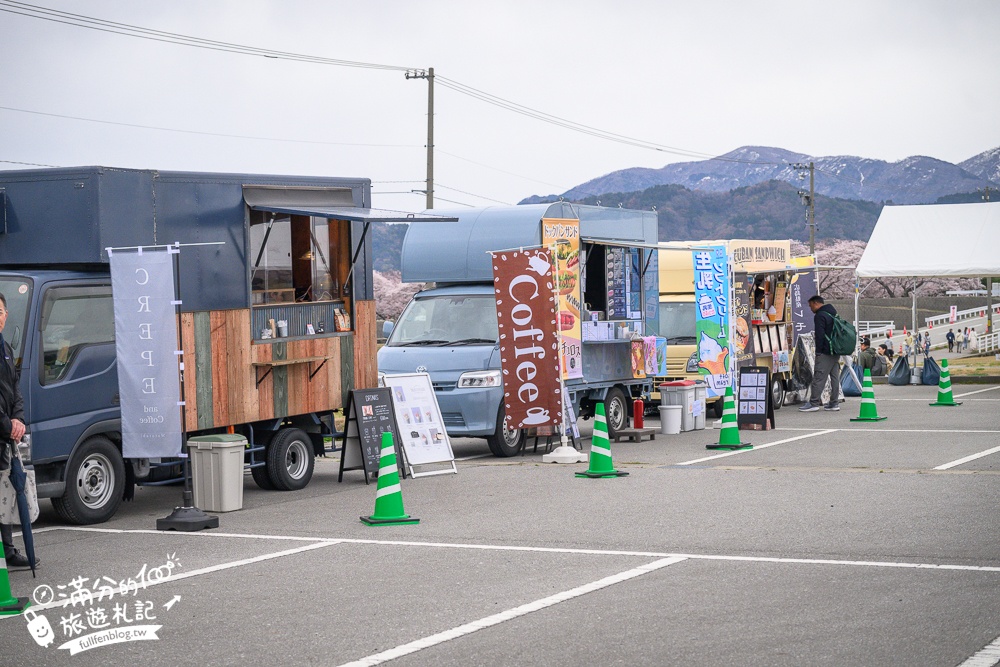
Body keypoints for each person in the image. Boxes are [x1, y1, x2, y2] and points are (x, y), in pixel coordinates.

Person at [0, 293, 38, 568]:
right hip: (2, 429)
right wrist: (7, 425)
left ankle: (9, 551)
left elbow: (15, 390)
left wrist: (19, 420)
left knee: (6, 494)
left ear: (5, 315)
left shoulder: (6, 348)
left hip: (4, 436)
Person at [799, 295, 842, 412]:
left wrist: (818, 352)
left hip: (825, 351)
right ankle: (834, 402)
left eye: (810, 305)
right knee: (834, 377)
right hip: (835, 350)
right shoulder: (833, 312)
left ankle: (814, 403)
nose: (810, 308)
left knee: (819, 376)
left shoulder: (820, 316)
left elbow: (820, 335)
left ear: (816, 303)